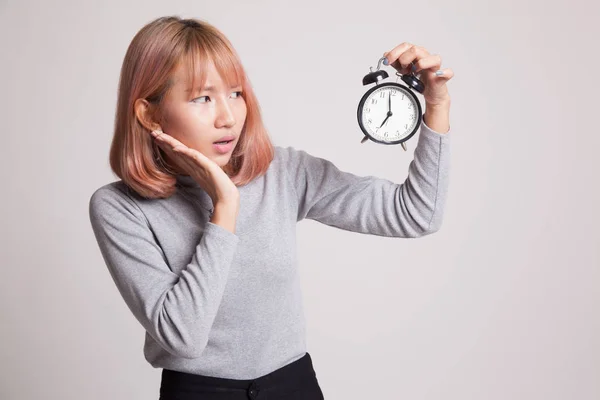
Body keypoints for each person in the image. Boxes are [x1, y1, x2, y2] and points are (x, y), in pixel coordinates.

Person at [88, 15, 454, 400]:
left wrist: (437, 104)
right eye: (202, 98)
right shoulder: (120, 208)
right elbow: (183, 337)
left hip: (293, 387)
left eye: (235, 93)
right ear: (149, 113)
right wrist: (225, 205)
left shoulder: (283, 173)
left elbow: (417, 214)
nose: (227, 117)